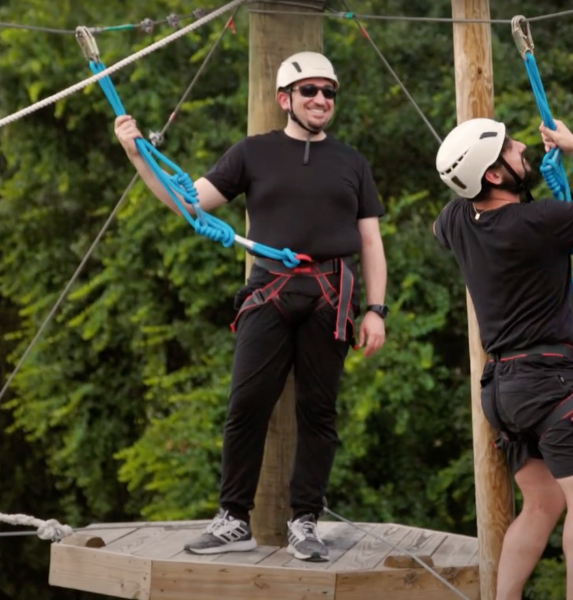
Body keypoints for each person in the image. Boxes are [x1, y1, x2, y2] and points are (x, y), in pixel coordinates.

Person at [113, 51, 389, 561]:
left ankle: (305, 520)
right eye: (309, 91)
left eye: (328, 92)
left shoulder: (352, 162)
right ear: (285, 99)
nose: (321, 100)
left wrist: (376, 309)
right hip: (270, 292)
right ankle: (232, 519)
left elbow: (371, 242)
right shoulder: (253, 153)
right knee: (245, 406)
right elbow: (188, 205)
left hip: (331, 296)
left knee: (319, 413)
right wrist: (136, 156)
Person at [433, 117, 573, 600]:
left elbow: (454, 212)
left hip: (502, 390)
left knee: (542, 502)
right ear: (495, 176)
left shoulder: (458, 221)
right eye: (510, 149)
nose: (521, 147)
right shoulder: (533, 222)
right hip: (548, 384)